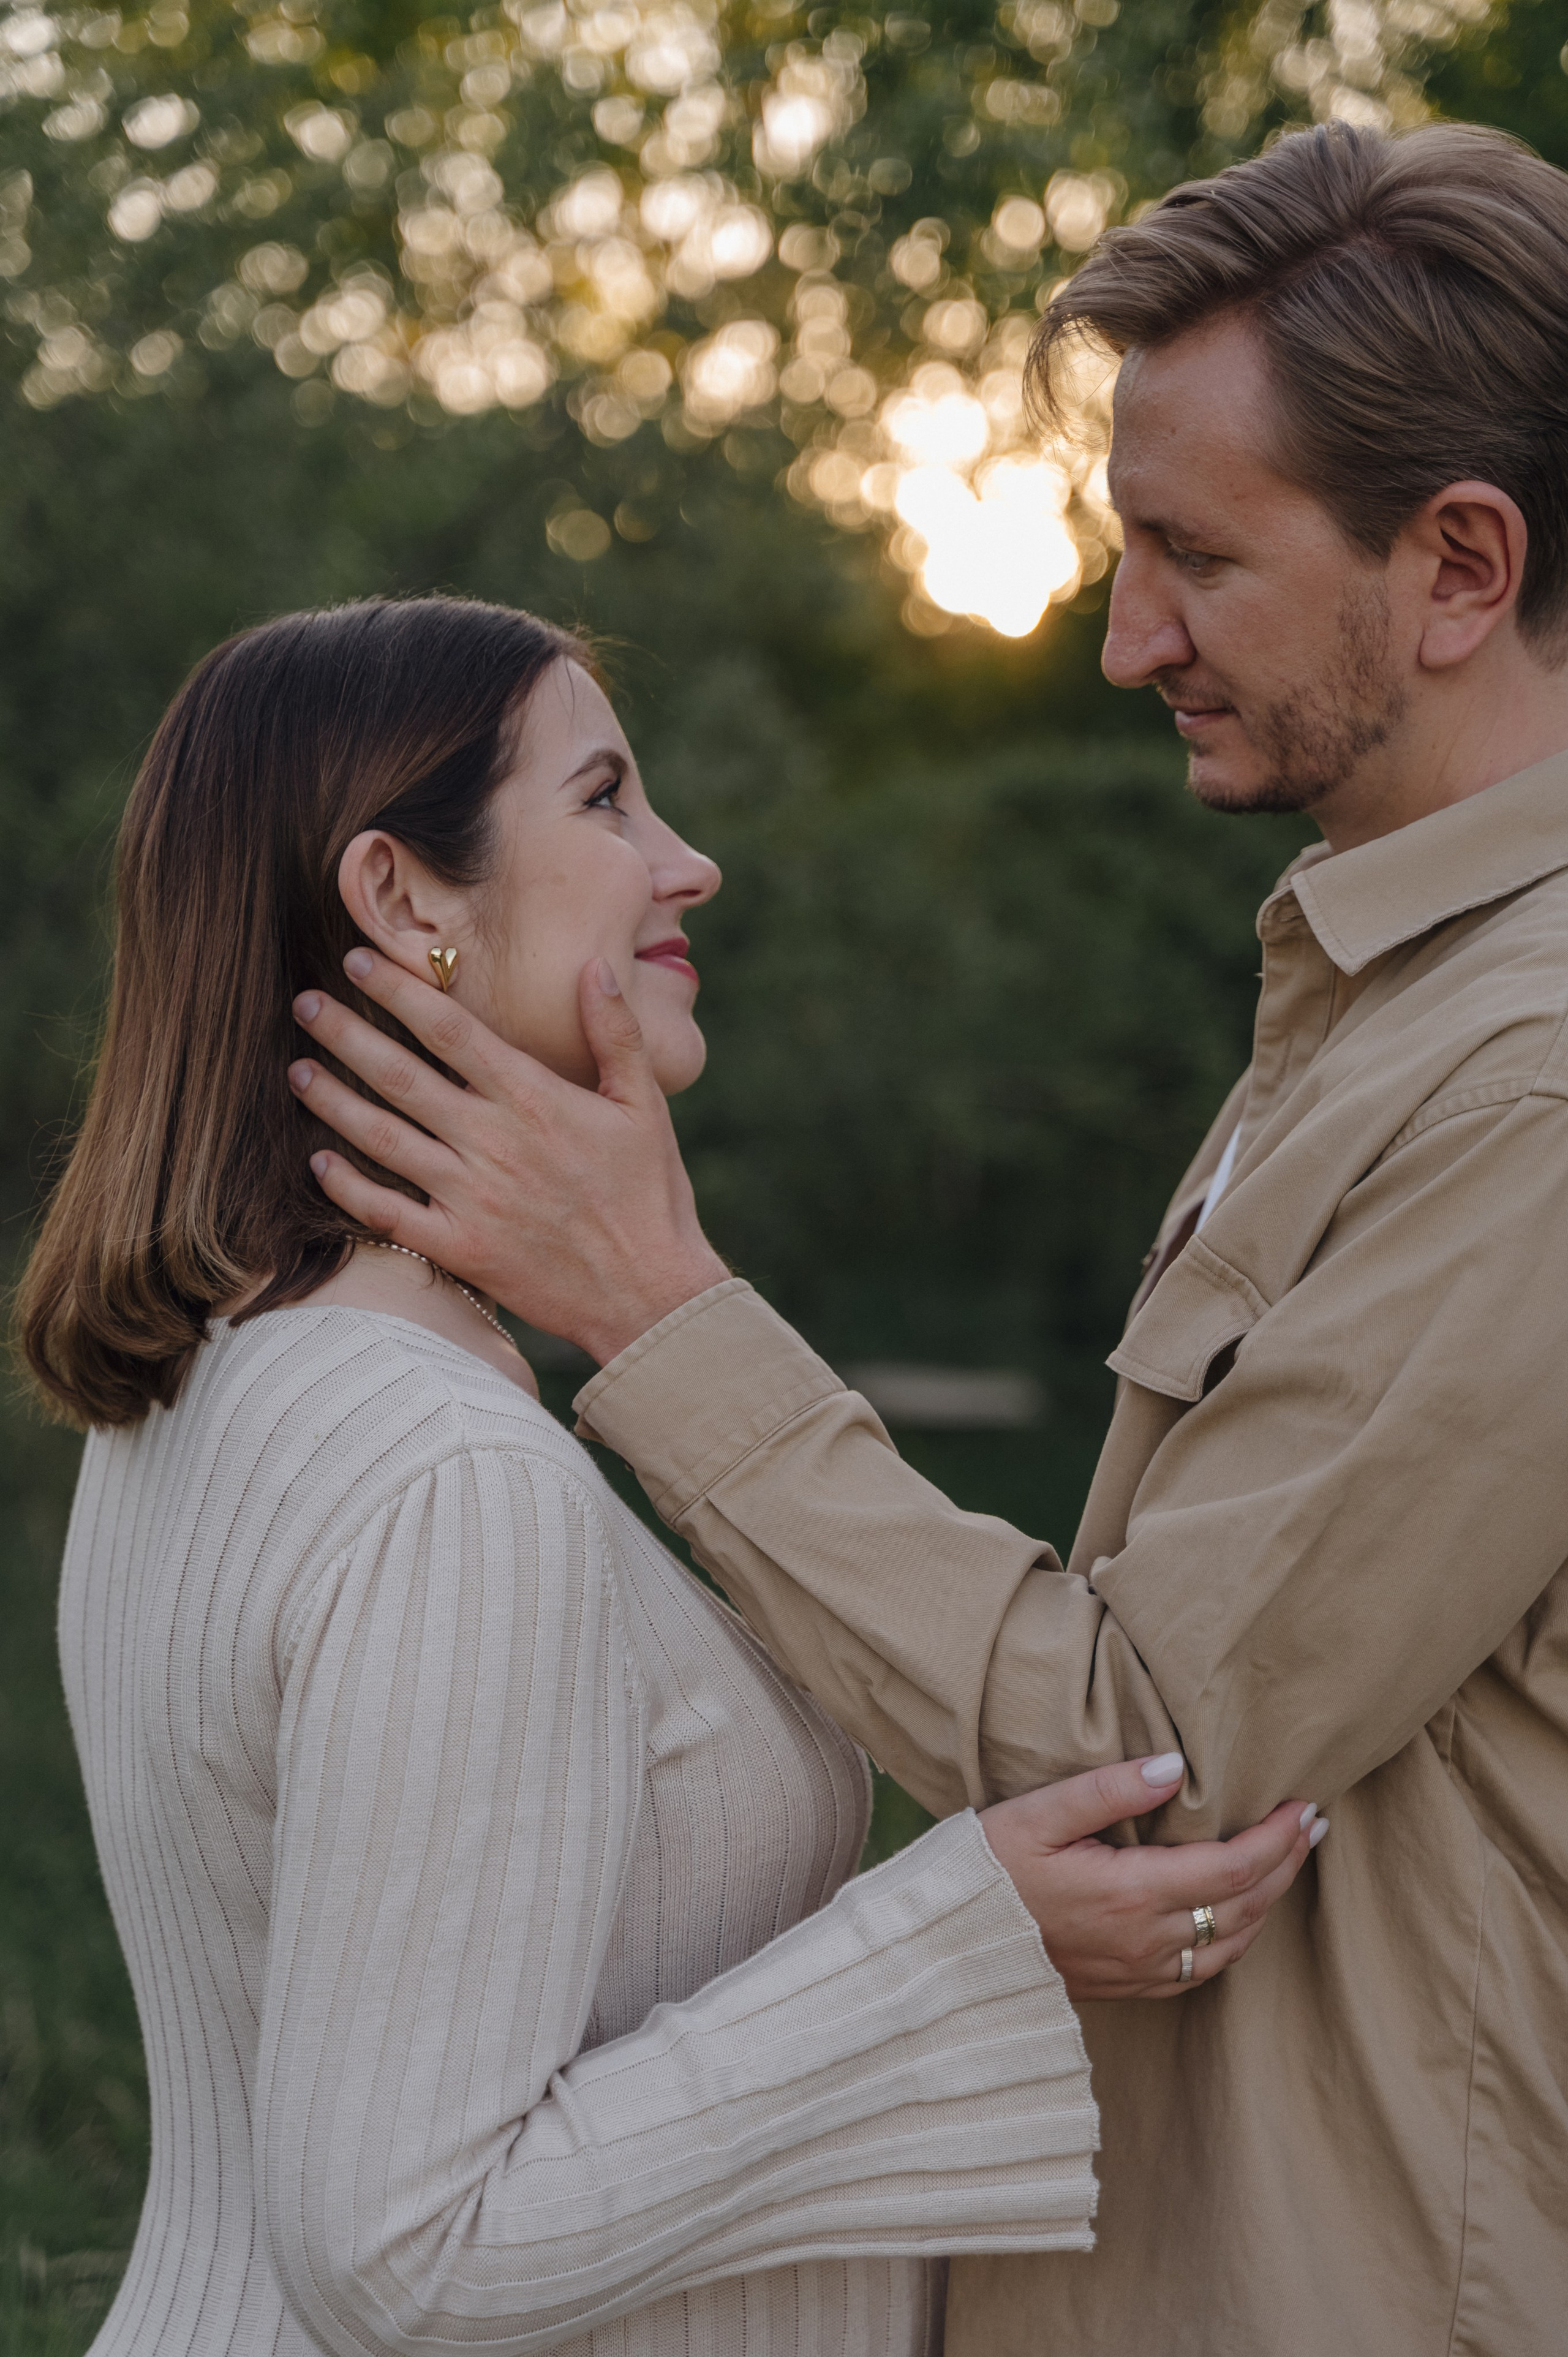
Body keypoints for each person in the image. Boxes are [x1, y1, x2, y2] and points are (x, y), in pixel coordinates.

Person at [288, 121, 1568, 2357]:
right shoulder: (1382, 1002)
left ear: (1459, 565)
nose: (1119, 638)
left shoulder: (1530, 1082)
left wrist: (655, 1314)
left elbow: (1152, 1734)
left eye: (1191, 556)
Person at [17, 597, 1314, 2357]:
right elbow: (406, 2247)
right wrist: (967, 1940)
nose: (686, 865)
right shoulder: (440, 1471)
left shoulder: (213, 1380)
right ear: (402, 899)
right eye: (608, 799)